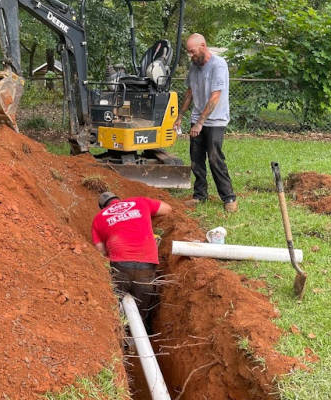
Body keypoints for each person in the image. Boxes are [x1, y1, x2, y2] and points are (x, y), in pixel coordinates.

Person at [173, 33, 238, 213]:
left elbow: (215, 95)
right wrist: (180, 116)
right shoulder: (194, 67)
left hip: (215, 120)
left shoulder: (218, 65)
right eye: (189, 53)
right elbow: (189, 93)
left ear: (203, 46)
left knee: (215, 158)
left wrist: (201, 123)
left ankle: (229, 197)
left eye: (192, 52)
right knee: (196, 159)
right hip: (197, 120)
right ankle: (199, 195)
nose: (191, 56)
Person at [91, 191, 172, 332]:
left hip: (119, 266)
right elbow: (167, 209)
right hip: (146, 264)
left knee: (117, 307)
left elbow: (101, 251)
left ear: (103, 207)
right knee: (142, 309)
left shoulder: (98, 218)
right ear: (118, 199)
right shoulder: (140, 202)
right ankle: (141, 335)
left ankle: (123, 338)